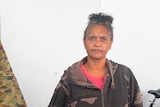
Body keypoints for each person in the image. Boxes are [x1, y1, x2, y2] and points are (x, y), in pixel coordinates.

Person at [48, 12, 143, 107]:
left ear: (110, 43)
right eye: (92, 38)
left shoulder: (124, 75)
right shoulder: (70, 78)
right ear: (84, 41)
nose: (97, 43)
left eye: (103, 39)